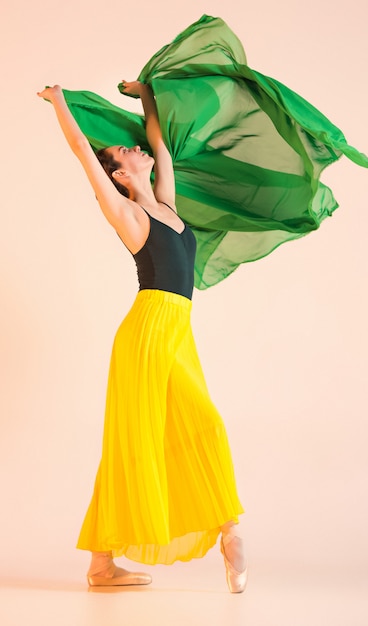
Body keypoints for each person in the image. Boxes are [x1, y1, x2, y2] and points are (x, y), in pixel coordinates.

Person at [37, 81, 246, 593]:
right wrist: (58, 99)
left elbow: (160, 144)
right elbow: (82, 150)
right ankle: (229, 534)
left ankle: (101, 565)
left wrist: (146, 93)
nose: (134, 148)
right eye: (122, 152)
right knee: (141, 439)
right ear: (119, 174)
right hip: (148, 333)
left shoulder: (167, 206)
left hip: (176, 332)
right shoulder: (126, 213)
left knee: (196, 426)